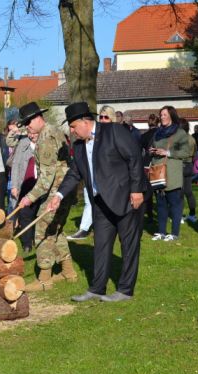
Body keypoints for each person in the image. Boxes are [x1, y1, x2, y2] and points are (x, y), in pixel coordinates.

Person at [46, 101, 148, 303]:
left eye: (73, 126)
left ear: (85, 121)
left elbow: (135, 158)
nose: (72, 131)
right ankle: (97, 288)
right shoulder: (78, 146)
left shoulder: (113, 131)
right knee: (101, 245)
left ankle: (125, 290)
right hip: (99, 202)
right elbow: (74, 174)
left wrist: (136, 190)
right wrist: (58, 196)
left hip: (126, 197)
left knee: (129, 245)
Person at [15, 102, 75, 291]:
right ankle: (68, 271)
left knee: (42, 230)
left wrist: (29, 197)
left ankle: (44, 278)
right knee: (55, 230)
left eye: (28, 122)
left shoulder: (46, 137)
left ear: (37, 117)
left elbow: (47, 177)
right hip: (64, 189)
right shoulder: (51, 131)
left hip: (56, 190)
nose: (27, 127)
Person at [68, 107, 116, 241]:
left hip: (112, 188)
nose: (103, 120)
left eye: (106, 117)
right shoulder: (80, 143)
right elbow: (75, 171)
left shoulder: (114, 135)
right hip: (92, 184)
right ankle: (84, 228)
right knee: (90, 202)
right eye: (101, 117)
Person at [149, 106, 192, 242]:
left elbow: (186, 153)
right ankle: (161, 232)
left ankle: (174, 233)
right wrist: (153, 151)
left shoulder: (179, 133)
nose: (162, 117)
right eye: (161, 115)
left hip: (172, 173)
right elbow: (155, 147)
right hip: (159, 171)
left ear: (172, 116)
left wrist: (168, 153)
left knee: (174, 204)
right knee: (161, 204)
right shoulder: (157, 133)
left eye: (165, 115)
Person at [6, 124, 36, 252]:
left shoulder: (45, 143)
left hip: (41, 184)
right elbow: (16, 164)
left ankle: (38, 239)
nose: (31, 135)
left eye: (33, 133)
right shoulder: (23, 143)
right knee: (25, 214)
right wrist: (14, 185)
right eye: (29, 133)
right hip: (25, 184)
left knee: (37, 213)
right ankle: (27, 243)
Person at [140, 113, 160, 223]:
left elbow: (139, 152)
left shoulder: (143, 136)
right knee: (158, 190)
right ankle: (161, 214)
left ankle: (148, 214)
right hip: (157, 164)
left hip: (146, 165)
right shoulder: (161, 135)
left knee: (147, 191)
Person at [179, 118, 198, 223]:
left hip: (180, 165)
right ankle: (192, 214)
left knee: (180, 193)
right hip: (189, 165)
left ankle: (180, 215)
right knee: (189, 192)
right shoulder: (192, 138)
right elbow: (195, 152)